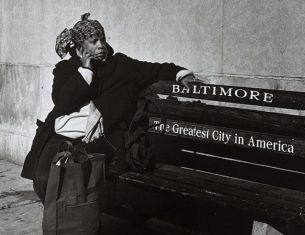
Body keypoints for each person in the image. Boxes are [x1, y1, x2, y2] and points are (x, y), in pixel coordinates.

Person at [21, 13, 199, 204]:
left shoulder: (120, 65)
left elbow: (153, 69)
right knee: (43, 180)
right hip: (61, 135)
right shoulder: (66, 68)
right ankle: (60, 222)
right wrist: (86, 69)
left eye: (103, 39)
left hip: (99, 139)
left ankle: (76, 224)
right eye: (94, 41)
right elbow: (63, 101)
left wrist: (180, 73)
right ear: (80, 47)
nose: (101, 45)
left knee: (76, 182)